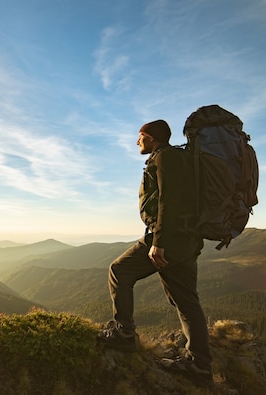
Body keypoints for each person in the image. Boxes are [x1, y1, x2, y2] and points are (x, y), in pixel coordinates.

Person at [97, 119, 213, 388]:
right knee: (186, 302)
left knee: (119, 270)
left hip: (167, 239)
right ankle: (200, 367)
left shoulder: (164, 158)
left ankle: (124, 334)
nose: (136, 141)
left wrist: (158, 242)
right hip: (186, 239)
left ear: (150, 136)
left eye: (139, 135)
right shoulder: (180, 159)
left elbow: (167, 201)